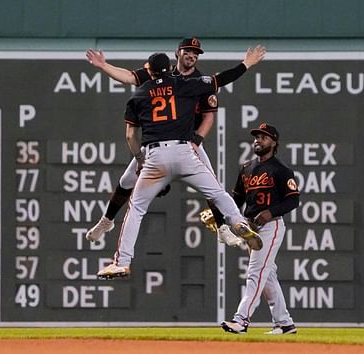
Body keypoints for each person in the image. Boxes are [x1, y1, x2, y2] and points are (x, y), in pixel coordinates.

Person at [97, 47, 266, 279]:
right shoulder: (185, 84)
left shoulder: (139, 95)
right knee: (217, 193)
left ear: (150, 70)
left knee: (135, 209)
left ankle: (121, 262)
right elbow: (220, 79)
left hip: (155, 156)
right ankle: (237, 222)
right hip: (184, 151)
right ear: (169, 68)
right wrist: (246, 63)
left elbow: (130, 136)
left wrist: (139, 158)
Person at [85, 37, 242, 247]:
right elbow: (129, 77)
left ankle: (222, 227)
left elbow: (208, 116)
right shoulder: (162, 72)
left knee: (212, 185)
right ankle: (107, 220)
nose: (192, 55)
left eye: (196, 53)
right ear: (177, 53)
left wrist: (196, 141)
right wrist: (104, 66)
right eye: (188, 51)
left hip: (187, 141)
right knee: (126, 181)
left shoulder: (197, 80)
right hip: (157, 141)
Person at [221, 123, 300, 335]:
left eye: (263, 137)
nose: (258, 140)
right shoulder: (247, 168)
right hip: (250, 228)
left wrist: (269, 213)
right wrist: (223, 218)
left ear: (274, 142)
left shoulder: (282, 171)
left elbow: (293, 201)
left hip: (271, 227)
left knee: (256, 273)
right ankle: (285, 323)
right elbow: (236, 199)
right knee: (268, 275)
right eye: (256, 136)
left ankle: (241, 320)